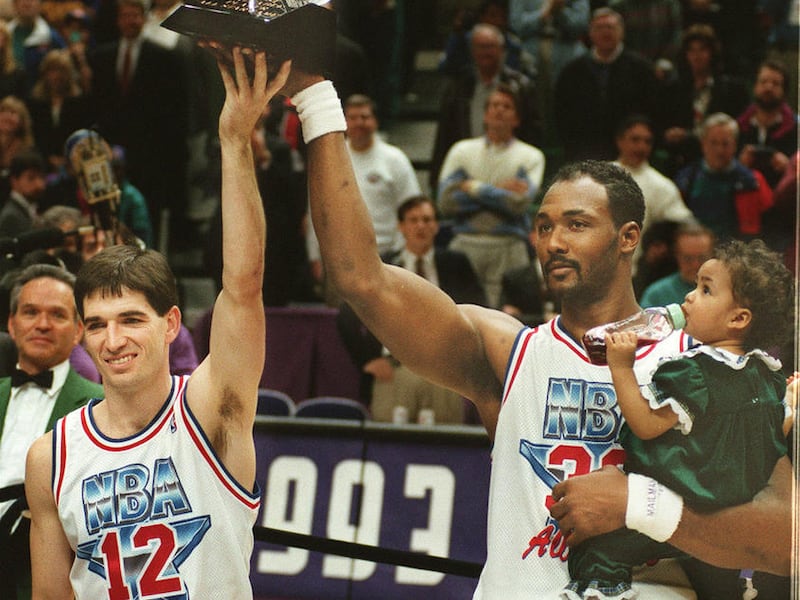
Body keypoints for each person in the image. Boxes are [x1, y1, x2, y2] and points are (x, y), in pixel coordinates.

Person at [281, 56, 791, 596]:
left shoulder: (708, 360)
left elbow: (788, 540)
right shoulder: (504, 351)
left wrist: (641, 506)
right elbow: (359, 276)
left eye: (577, 225)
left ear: (628, 237)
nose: (554, 242)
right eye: (544, 226)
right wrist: (315, 95)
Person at [24, 44, 281, 598]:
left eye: (130, 320)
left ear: (170, 324)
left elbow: (243, 285)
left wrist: (234, 142)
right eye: (96, 325)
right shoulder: (51, 456)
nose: (112, 341)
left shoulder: (212, 408)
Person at [565, 238, 795, 599]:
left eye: (705, 290)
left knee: (600, 550)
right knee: (709, 566)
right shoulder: (766, 376)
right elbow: (773, 433)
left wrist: (621, 367)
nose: (688, 297)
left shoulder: (693, 374)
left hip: (684, 496)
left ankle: (602, 589)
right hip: (730, 513)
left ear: (738, 319)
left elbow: (646, 423)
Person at [0, 263, 104, 599]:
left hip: (46, 572)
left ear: (78, 330)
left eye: (57, 315)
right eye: (31, 312)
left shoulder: (101, 406)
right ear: (11, 324)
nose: (42, 324)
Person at [336, 195, 486, 423]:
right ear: (401, 226)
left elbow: (481, 310)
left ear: (436, 226)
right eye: (413, 220)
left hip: (444, 372)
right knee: (389, 446)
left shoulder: (455, 264)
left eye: (427, 220)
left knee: (446, 444)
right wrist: (367, 360)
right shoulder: (383, 265)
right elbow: (346, 315)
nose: (420, 226)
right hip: (394, 370)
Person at [88, 0, 188, 252]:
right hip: (109, 152)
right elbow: (97, 106)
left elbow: (174, 111)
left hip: (150, 155)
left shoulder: (163, 57)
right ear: (118, 20)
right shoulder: (101, 57)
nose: (130, 20)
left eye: (135, 15)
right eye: (125, 16)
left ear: (143, 18)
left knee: (147, 215)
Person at [437, 83, 545, 308]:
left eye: (506, 106)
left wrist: (474, 187)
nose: (499, 110)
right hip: (465, 244)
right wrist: (500, 190)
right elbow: (446, 202)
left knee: (506, 317)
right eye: (494, 105)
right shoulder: (461, 151)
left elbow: (518, 204)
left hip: (509, 245)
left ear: (517, 119)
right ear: (485, 115)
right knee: (459, 315)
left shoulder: (531, 156)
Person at [429, 22, 541, 192]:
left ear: (502, 50)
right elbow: (444, 134)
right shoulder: (457, 86)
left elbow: (533, 132)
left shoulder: (522, 86)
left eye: (490, 47)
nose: (485, 52)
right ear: (472, 51)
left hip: (510, 168)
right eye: (480, 47)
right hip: (467, 168)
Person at [554, 7, 658, 162]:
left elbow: (652, 111)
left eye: (610, 27)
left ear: (622, 31)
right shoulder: (572, 72)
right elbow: (562, 115)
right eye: (599, 28)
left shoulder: (642, 69)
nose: (605, 32)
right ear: (590, 33)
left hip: (629, 156)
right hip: (583, 153)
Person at [656, 24, 750, 176]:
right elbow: (661, 127)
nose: (696, 55)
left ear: (712, 53)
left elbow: (739, 128)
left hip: (720, 162)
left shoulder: (732, 90)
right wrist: (670, 135)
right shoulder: (672, 90)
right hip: (681, 162)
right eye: (691, 50)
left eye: (702, 50)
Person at [611, 114, 694, 272]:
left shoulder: (662, 185)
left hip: (638, 271)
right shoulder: (597, 177)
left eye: (647, 141)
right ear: (620, 141)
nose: (641, 147)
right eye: (635, 140)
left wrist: (661, 245)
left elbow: (682, 223)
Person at [674, 112, 773, 242]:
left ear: (735, 145)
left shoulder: (752, 182)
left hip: (738, 254)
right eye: (714, 143)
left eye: (725, 144)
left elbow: (769, 227)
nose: (720, 150)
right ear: (703, 144)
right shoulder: (685, 180)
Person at [508, 0, 590, 146]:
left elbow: (581, 25)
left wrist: (560, 11)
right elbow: (517, 26)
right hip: (531, 52)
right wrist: (544, 13)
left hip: (567, 51)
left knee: (569, 105)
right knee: (532, 105)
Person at [26, 48, 93, 174]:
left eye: (61, 71)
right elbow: (33, 136)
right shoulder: (35, 103)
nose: (56, 76)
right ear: (44, 74)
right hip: (42, 163)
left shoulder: (78, 102)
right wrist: (49, 159)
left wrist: (67, 160)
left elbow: (81, 135)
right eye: (51, 71)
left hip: (73, 164)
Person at [736, 58, 798, 190]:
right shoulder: (738, 127)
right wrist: (739, 164)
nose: (768, 88)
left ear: (784, 91)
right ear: (755, 86)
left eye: (775, 84)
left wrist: (790, 167)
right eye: (763, 82)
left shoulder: (795, 129)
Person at [640, 222, 714, 308]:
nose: (695, 265)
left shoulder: (724, 291)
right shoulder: (656, 295)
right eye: (688, 259)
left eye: (702, 258)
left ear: (712, 256)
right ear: (677, 255)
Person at [6, 0, 66, 93]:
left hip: (40, 96)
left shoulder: (51, 37)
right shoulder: (5, 34)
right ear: (14, 4)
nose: (27, 3)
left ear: (40, 4)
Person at [0, 148, 46, 238]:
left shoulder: (29, 209)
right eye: (31, 178)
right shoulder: (11, 217)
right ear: (14, 181)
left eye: (41, 177)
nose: (39, 184)